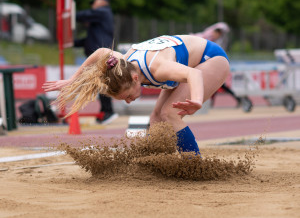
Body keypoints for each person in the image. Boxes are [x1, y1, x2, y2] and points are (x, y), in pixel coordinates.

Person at [42, 35, 230, 155]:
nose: (130, 101)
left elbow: (193, 74)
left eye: (127, 96)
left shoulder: (159, 68)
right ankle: (160, 162)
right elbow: (100, 52)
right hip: (186, 61)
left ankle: (194, 167)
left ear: (134, 78)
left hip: (211, 58)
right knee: (156, 117)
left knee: (169, 114)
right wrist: (72, 81)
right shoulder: (121, 63)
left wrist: (197, 101)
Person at [74, 0, 118, 124]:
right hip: (99, 52)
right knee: (101, 82)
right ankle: (106, 111)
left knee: (102, 82)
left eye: (94, 2)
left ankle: (108, 111)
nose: (92, 5)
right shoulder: (98, 21)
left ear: (102, 1)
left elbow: (82, 16)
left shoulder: (103, 12)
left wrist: (68, 14)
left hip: (101, 54)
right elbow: (89, 39)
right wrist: (72, 42)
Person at [192, 22, 241, 107]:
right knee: (214, 85)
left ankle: (211, 103)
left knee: (216, 84)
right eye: (218, 34)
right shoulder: (205, 37)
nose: (218, 36)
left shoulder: (211, 39)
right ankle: (211, 103)